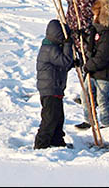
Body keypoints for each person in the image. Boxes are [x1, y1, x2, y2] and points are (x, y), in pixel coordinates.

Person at [76, 0, 109, 130]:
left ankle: (106, 123)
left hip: (104, 73)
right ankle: (89, 119)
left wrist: (89, 65)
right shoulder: (96, 30)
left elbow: (102, 57)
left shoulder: (108, 35)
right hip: (94, 71)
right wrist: (83, 37)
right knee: (86, 95)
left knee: (102, 98)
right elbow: (93, 47)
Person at [34, 19, 74, 149]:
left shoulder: (51, 47)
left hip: (54, 88)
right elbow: (65, 61)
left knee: (58, 118)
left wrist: (73, 64)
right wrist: (68, 46)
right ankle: (41, 144)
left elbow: (61, 66)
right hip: (50, 90)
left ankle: (56, 141)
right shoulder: (50, 49)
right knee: (50, 119)